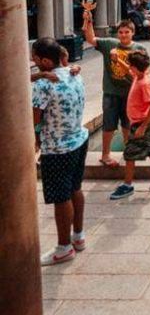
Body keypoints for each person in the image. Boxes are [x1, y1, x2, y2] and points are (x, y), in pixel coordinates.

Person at [31, 37, 89, 265]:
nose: (32, 60)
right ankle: (78, 237)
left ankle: (64, 247)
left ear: (45, 60)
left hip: (58, 148)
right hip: (79, 139)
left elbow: (33, 118)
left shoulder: (44, 85)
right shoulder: (73, 73)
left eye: (34, 57)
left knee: (60, 197)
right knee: (75, 188)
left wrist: (35, 140)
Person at [82, 8, 145, 167]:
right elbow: (90, 39)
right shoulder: (110, 43)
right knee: (109, 124)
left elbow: (138, 75)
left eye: (126, 32)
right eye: (121, 32)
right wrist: (88, 21)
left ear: (132, 33)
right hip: (111, 93)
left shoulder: (139, 49)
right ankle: (105, 155)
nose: (123, 35)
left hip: (130, 94)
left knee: (127, 124)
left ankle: (128, 150)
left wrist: (118, 61)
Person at [109, 49, 150, 199]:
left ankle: (127, 185)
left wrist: (142, 127)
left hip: (140, 123)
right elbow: (128, 70)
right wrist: (118, 61)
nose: (129, 68)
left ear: (136, 68)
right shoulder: (139, 75)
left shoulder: (143, 83)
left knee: (129, 154)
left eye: (131, 66)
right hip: (139, 122)